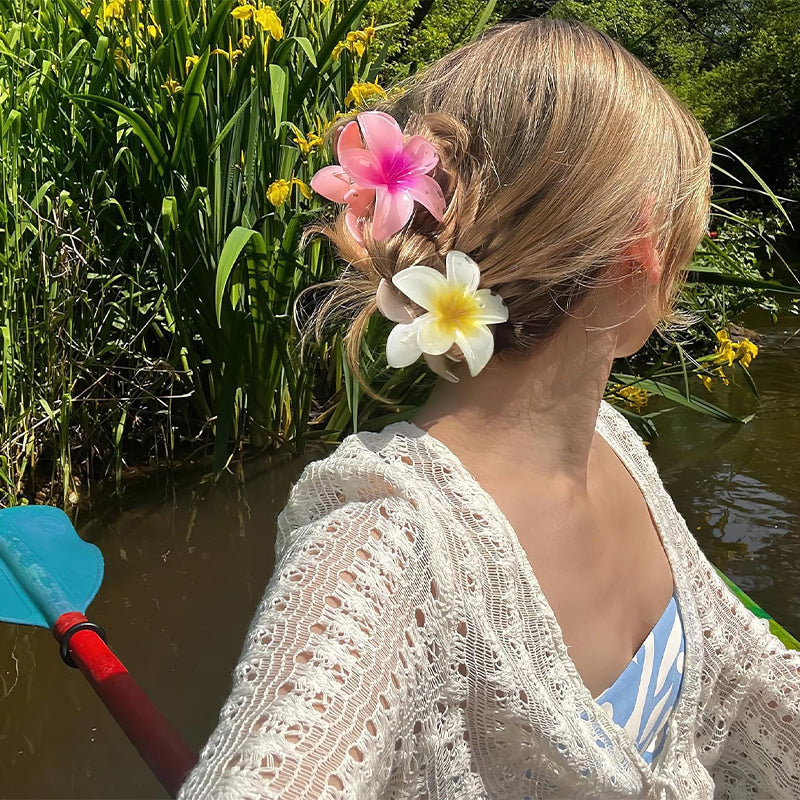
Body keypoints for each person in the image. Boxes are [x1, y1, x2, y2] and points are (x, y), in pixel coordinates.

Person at [177, 18, 800, 800]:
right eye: (688, 240)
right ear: (639, 250)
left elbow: (747, 679)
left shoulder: (614, 446)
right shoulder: (383, 547)